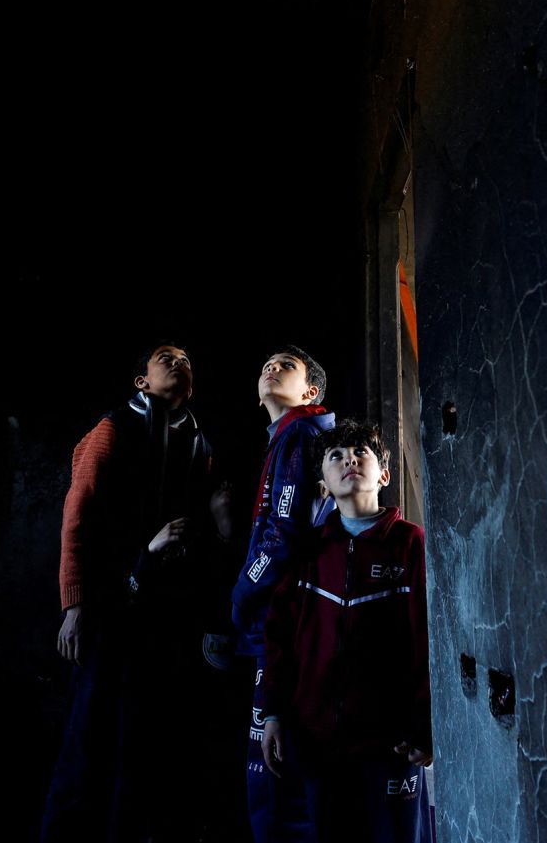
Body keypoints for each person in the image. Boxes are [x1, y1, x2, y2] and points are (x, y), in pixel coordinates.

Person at [40, 343, 234, 843]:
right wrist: (75, 605)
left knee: (145, 745)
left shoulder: (199, 445)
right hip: (109, 608)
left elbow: (216, 524)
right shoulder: (114, 429)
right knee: (89, 741)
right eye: (165, 356)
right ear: (141, 383)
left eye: (187, 358)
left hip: (165, 615)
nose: (179, 360)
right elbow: (77, 512)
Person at [260, 422, 433, 843]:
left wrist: (423, 722)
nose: (349, 460)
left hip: (390, 745)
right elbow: (278, 639)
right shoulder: (306, 551)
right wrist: (273, 714)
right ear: (323, 483)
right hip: (318, 743)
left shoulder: (412, 545)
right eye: (335, 456)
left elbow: (429, 642)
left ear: (383, 475)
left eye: (361, 452)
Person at [231, 346, 335, 842]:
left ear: (310, 391)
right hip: (284, 623)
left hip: (284, 623)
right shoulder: (285, 438)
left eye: (285, 366)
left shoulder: (303, 432)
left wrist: (242, 592)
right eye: (265, 363)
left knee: (273, 779)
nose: (270, 367)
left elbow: (284, 532)